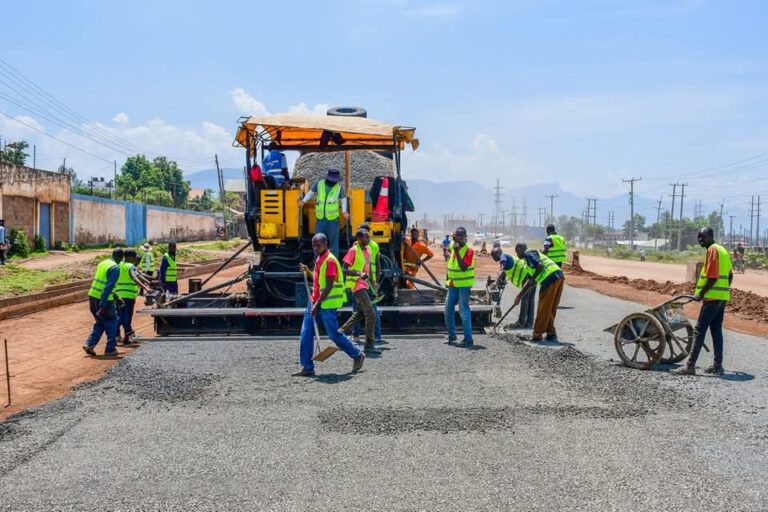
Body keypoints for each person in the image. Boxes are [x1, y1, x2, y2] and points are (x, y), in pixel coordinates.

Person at [294, 233, 365, 377]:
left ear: (325, 244)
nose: (315, 248)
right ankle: (307, 367)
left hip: (326, 303)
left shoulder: (330, 261)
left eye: (317, 245)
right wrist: (308, 271)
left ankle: (357, 355)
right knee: (306, 334)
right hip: (315, 301)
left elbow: (329, 286)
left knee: (333, 334)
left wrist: (317, 304)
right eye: (313, 245)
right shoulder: (320, 258)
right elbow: (318, 280)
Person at [678, 227, 733, 376]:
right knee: (716, 331)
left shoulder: (713, 250)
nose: (700, 240)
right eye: (698, 237)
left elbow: (713, 276)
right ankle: (717, 366)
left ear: (710, 236)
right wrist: (724, 290)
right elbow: (730, 275)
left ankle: (690, 366)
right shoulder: (723, 250)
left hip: (712, 299)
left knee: (699, 330)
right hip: (721, 298)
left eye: (702, 236)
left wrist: (701, 294)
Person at [514, 243, 564, 342]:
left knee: (543, 307)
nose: (517, 255)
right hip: (559, 276)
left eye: (516, 252)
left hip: (549, 279)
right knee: (550, 308)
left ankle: (537, 334)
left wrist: (533, 278)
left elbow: (540, 266)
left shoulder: (529, 253)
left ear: (520, 249)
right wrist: (519, 297)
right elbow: (529, 282)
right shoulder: (528, 262)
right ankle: (551, 333)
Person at [340, 229, 379, 354]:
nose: (368, 239)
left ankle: (341, 331)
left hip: (365, 285)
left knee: (360, 313)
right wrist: (358, 273)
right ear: (359, 238)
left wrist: (374, 283)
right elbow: (344, 269)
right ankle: (369, 345)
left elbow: (368, 270)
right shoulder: (353, 250)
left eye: (369, 237)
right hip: (356, 285)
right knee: (371, 313)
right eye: (366, 237)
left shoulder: (368, 250)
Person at [83, 248, 124, 357]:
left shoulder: (103, 263)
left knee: (101, 322)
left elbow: (103, 282)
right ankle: (110, 349)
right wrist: (103, 305)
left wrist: (116, 297)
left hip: (92, 296)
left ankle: (89, 344)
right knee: (112, 322)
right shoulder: (115, 268)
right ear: (121, 257)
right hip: (104, 300)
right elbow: (107, 288)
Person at [300, 168, 348, 257]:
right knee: (318, 242)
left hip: (333, 221)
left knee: (333, 244)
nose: (333, 182)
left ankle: (333, 265)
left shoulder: (339, 187)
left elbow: (343, 199)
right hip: (321, 219)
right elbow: (311, 192)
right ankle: (318, 263)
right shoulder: (319, 184)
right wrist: (304, 200)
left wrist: (344, 211)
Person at [351, 223, 385, 345]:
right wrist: (377, 282)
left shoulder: (357, 246)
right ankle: (377, 336)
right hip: (371, 282)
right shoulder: (374, 245)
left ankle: (356, 335)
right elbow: (378, 264)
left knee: (357, 310)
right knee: (372, 310)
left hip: (361, 283)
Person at [444, 227, 475, 346]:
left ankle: (468, 339)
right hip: (452, 284)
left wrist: (456, 251)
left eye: (461, 236)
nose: (458, 238)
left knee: (463, 311)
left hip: (463, 285)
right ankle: (452, 336)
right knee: (447, 310)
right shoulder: (453, 245)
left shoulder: (469, 251)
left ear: (465, 237)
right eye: (457, 235)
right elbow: (448, 249)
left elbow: (463, 267)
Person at [491, 247, 535, 329]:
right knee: (530, 300)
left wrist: (495, 282)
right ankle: (529, 323)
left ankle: (521, 323)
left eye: (493, 256)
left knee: (525, 300)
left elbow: (502, 269)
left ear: (496, 255)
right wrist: (502, 279)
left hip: (527, 277)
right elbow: (504, 271)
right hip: (532, 275)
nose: (493, 258)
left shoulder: (503, 257)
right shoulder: (506, 258)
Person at [115, 249, 152, 345]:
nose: (136, 259)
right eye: (135, 257)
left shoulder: (119, 265)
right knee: (127, 317)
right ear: (130, 257)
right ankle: (125, 337)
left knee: (121, 316)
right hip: (128, 296)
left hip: (119, 295)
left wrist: (149, 282)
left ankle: (118, 335)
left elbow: (139, 274)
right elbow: (134, 277)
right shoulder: (130, 266)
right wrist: (146, 287)